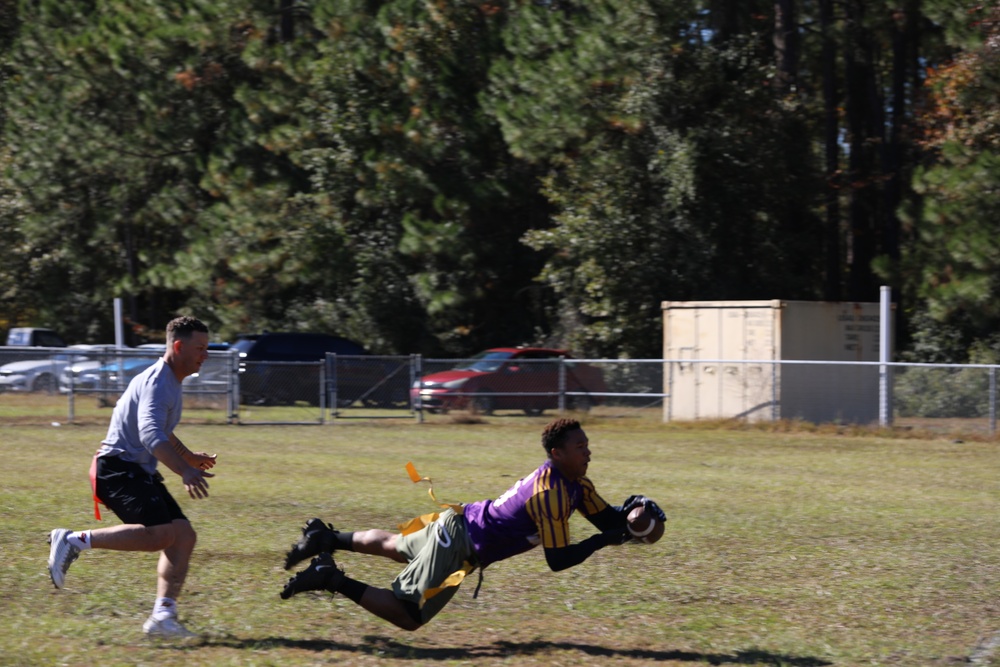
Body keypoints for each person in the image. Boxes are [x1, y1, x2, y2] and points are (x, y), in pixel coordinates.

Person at [279, 417, 666, 631]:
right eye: (580, 447)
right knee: (408, 615)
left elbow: (606, 519)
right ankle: (329, 576)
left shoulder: (576, 483)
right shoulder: (550, 492)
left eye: (587, 445)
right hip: (459, 545)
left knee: (397, 546)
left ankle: (325, 537)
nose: (588, 452)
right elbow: (558, 560)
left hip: (459, 523)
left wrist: (633, 515)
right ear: (557, 453)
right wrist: (606, 540)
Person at [47, 316, 218, 639]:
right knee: (159, 535)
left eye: (206, 348)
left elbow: (163, 432)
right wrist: (185, 470)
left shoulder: (170, 381)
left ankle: (162, 616)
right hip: (115, 468)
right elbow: (151, 436)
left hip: (135, 470)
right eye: (200, 348)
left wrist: (189, 456)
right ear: (178, 346)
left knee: (182, 536)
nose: (205, 355)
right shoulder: (158, 381)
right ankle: (72, 540)